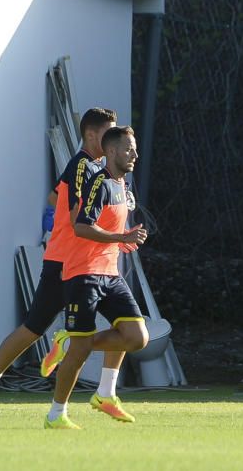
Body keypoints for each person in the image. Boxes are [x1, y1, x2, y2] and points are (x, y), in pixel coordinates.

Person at [0, 107, 137, 428]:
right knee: (33, 328)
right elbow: (77, 219)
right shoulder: (82, 166)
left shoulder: (101, 169)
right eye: (108, 133)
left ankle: (105, 391)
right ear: (91, 135)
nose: (115, 140)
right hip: (66, 261)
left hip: (94, 261)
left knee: (123, 326)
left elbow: (52, 197)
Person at [40, 126, 149, 429]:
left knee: (136, 337)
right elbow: (82, 226)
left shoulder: (122, 184)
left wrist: (125, 239)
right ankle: (56, 414)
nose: (135, 155)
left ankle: (102, 390)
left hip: (110, 274)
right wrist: (120, 235)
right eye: (129, 149)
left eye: (135, 149)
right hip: (83, 274)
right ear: (112, 151)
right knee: (80, 351)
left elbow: (110, 229)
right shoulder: (98, 182)